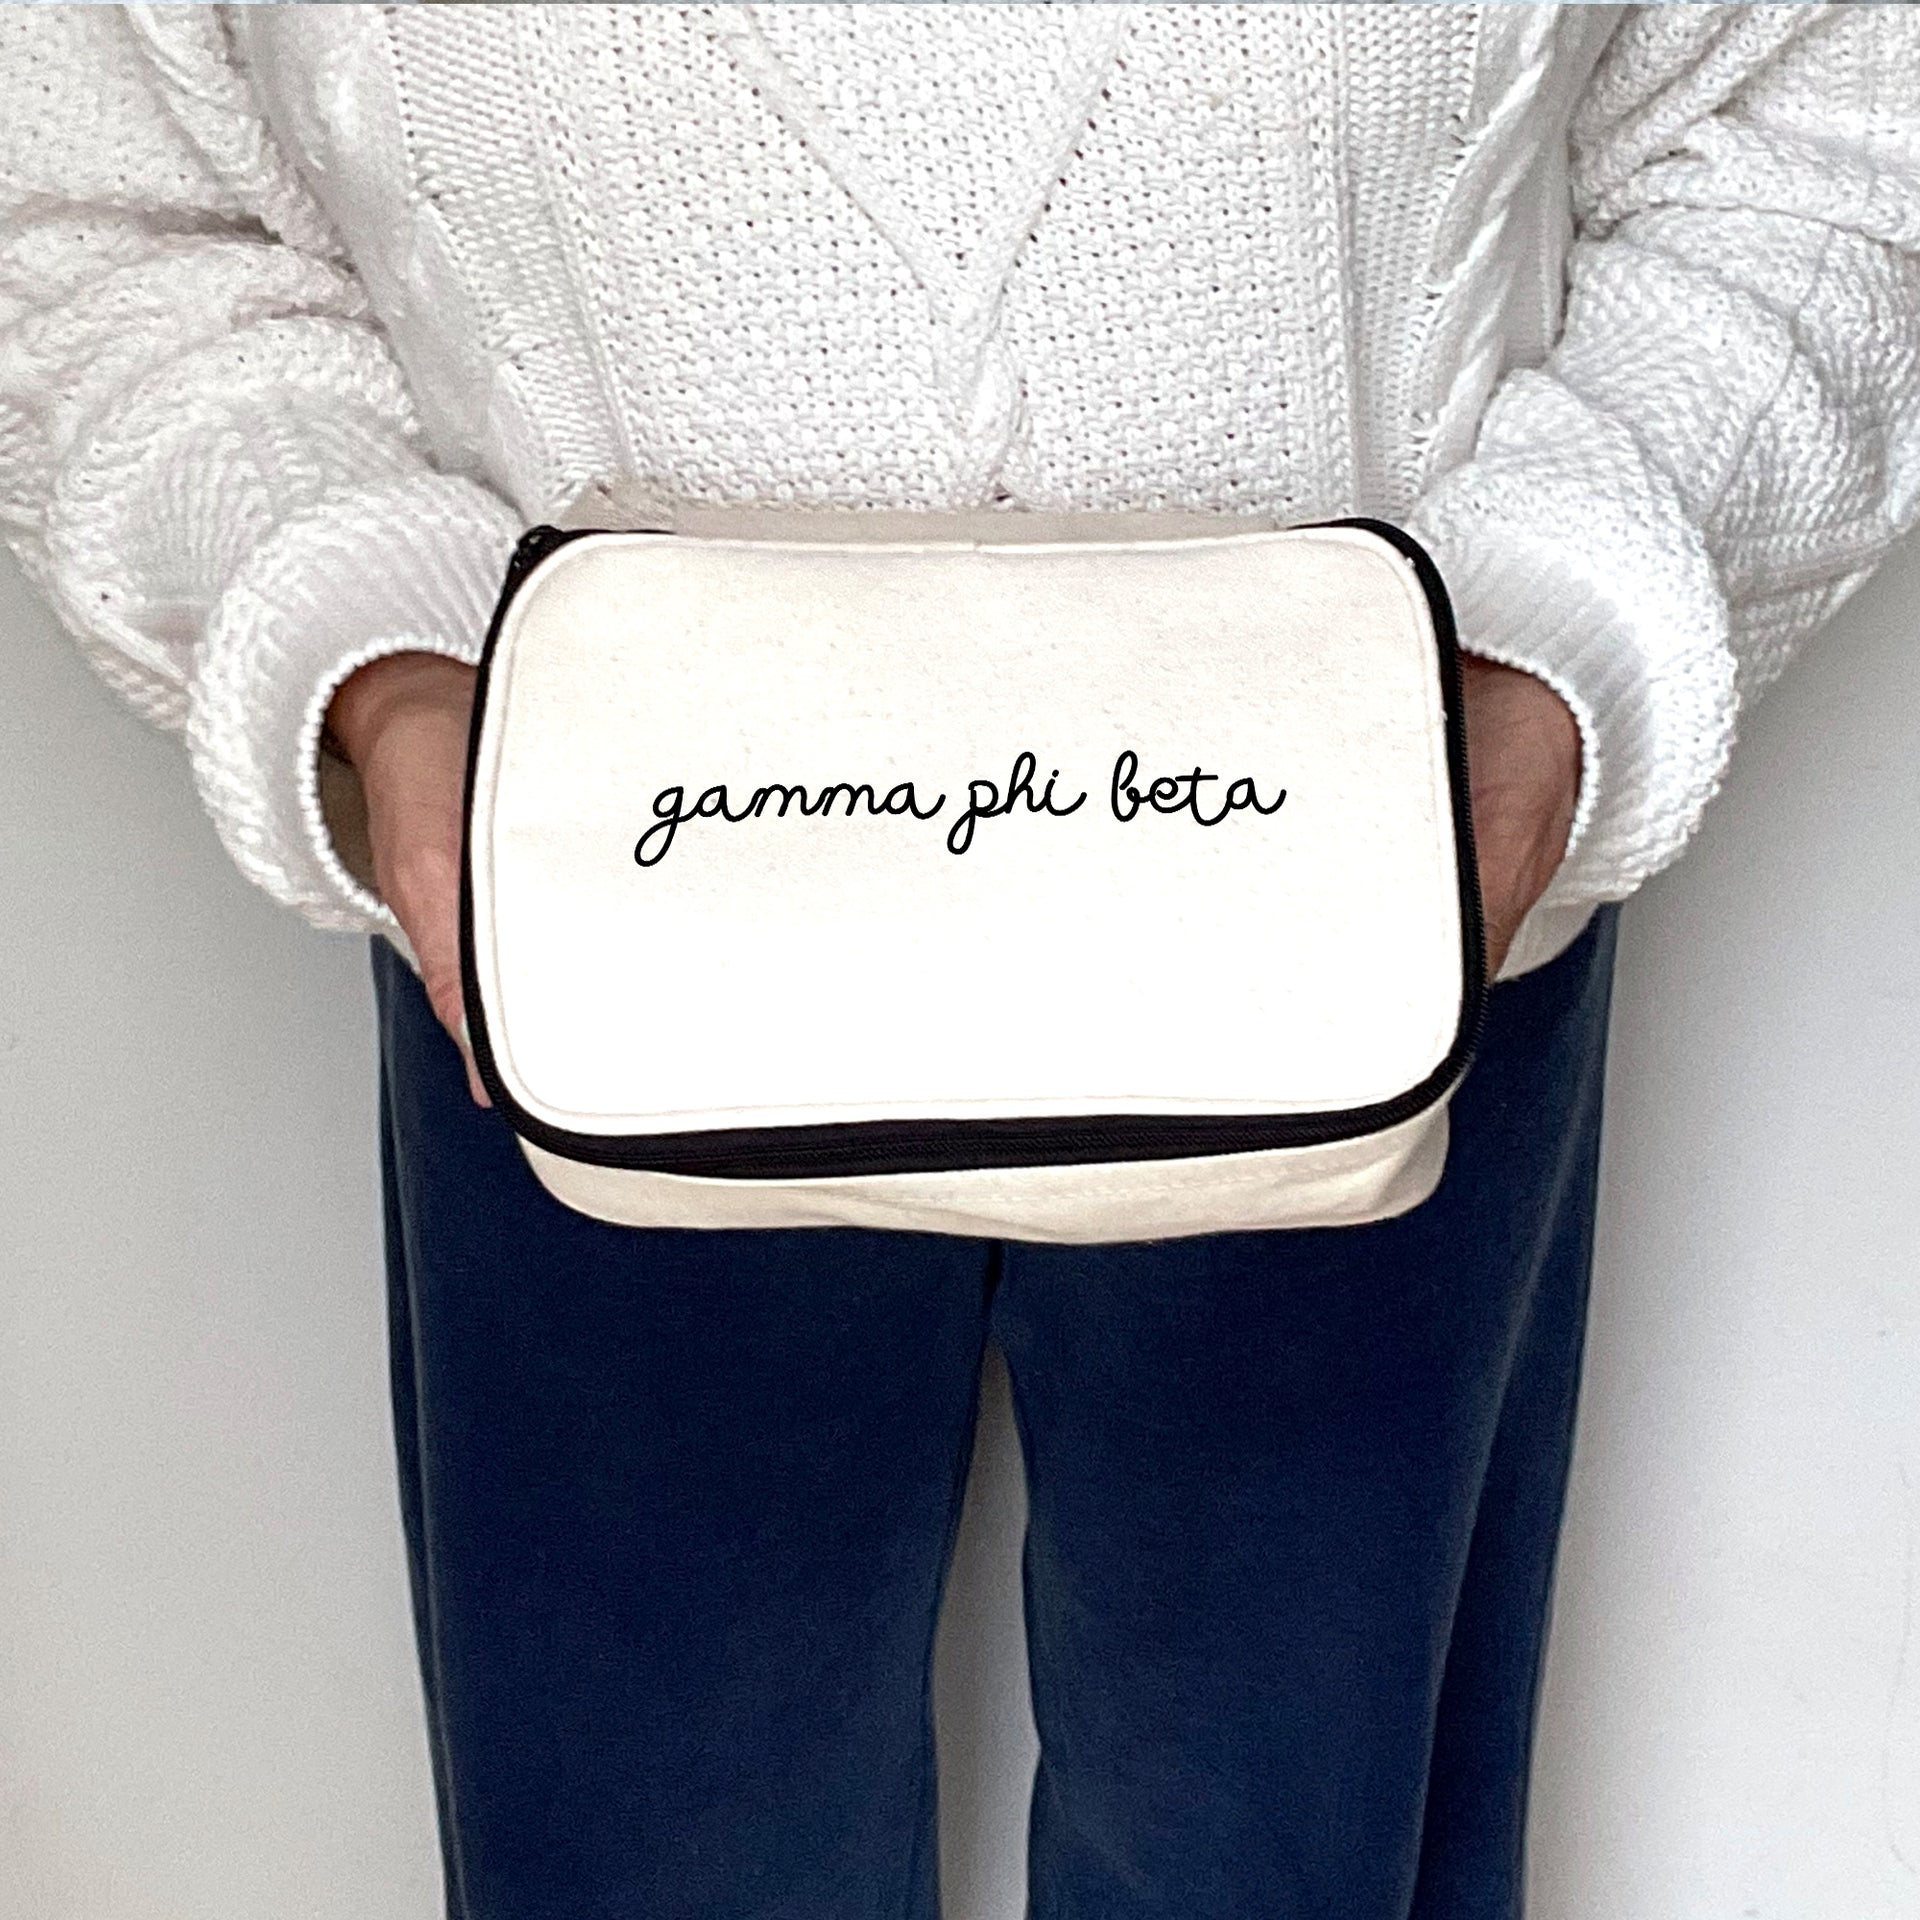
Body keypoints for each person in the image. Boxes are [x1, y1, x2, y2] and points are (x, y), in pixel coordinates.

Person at [4, 4, 1915, 1915]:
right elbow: (96, 201)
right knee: (649, 1854)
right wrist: (376, 655)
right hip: (584, 922)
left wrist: (1558, 643)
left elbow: (1840, 102)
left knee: (1294, 1855)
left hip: (1382, 884)